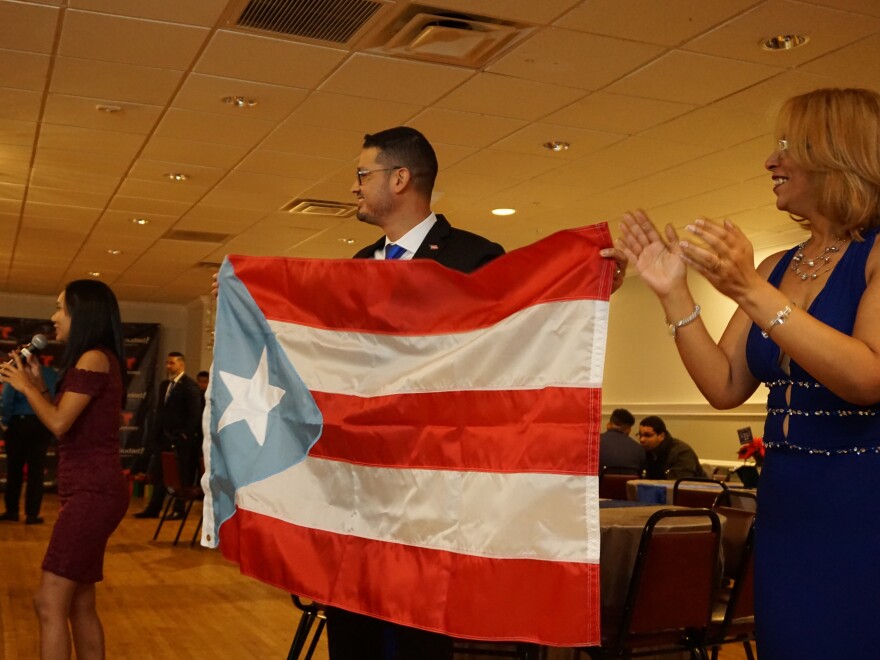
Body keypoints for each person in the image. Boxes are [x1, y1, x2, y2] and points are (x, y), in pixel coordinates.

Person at [615, 88, 880, 657]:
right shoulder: (777, 265)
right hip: (787, 509)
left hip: (861, 508)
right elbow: (725, 386)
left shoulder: (875, 255)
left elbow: (866, 377)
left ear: (840, 154)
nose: (770, 161)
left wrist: (753, 292)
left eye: (788, 146)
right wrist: (672, 293)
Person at [321, 126, 506, 660]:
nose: (354, 187)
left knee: (415, 638)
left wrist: (583, 284)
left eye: (363, 173)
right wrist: (249, 298)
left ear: (399, 178)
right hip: (357, 490)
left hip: (431, 491)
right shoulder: (357, 266)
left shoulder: (474, 258)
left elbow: (505, 354)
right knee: (353, 631)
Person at [0, 279, 128, 660]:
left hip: (93, 492)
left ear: (81, 313)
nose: (54, 317)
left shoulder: (93, 356)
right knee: (79, 602)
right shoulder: (97, 357)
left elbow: (58, 424)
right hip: (92, 490)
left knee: (48, 601)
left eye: (60, 308)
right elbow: (64, 421)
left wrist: (25, 388)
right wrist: (38, 387)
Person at [134, 352, 202, 519]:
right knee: (158, 473)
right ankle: (154, 508)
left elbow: (194, 414)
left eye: (172, 363)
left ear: (181, 364)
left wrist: (184, 434)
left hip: (179, 439)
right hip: (162, 437)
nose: (168, 366)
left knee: (180, 474)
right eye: (167, 363)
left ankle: (179, 509)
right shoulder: (165, 385)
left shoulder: (189, 386)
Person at [0, 363, 57, 524]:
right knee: (36, 471)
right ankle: (32, 514)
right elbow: (53, 398)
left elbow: (7, 399)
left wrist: (5, 422)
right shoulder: (51, 373)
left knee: (14, 469)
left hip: (19, 423)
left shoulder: (16, 373)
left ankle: (12, 511)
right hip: (42, 423)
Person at [636, 415, 705, 479]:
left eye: (647, 435)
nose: (642, 440)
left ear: (661, 436)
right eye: (640, 435)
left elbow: (681, 485)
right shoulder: (644, 452)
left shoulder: (681, 453)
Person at [598, 407, 645, 474]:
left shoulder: (594, 443)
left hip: (599, 484)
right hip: (628, 484)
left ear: (608, 425)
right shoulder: (639, 449)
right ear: (629, 430)